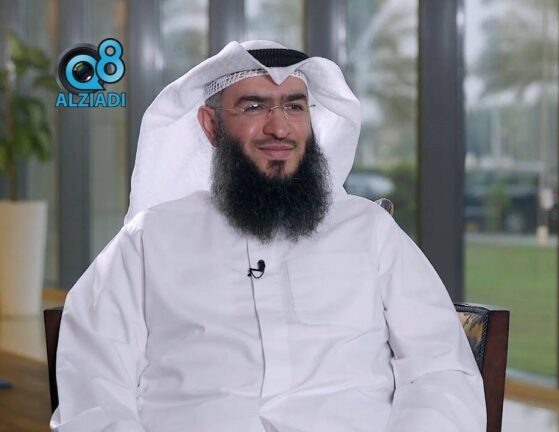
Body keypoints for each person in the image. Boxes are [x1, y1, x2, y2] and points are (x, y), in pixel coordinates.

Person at [50, 40, 486, 432]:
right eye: (255, 107)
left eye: (294, 107)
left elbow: (441, 370)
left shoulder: (369, 230)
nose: (280, 128)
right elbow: (93, 382)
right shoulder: (150, 239)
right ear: (210, 125)